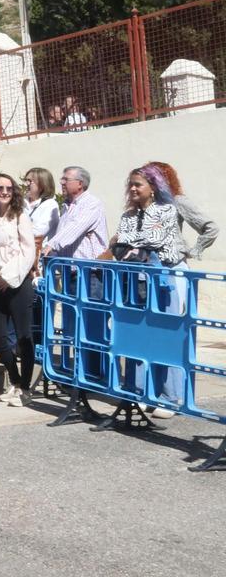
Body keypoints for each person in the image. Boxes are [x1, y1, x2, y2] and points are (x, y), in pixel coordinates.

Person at [114, 165, 189, 413]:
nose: (133, 188)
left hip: (161, 282)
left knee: (164, 339)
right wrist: (133, 248)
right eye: (131, 184)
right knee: (136, 338)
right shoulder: (127, 216)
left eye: (139, 184)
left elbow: (155, 241)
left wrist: (131, 246)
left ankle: (169, 397)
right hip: (134, 283)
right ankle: (139, 391)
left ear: (153, 188)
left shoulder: (167, 210)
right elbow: (117, 248)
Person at [0, 172, 36, 407]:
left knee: (24, 336)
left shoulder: (20, 216)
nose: (4, 192)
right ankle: (14, 381)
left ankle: (25, 388)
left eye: (9, 188)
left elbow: (28, 250)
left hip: (16, 281)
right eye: (0, 188)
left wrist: (9, 276)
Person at [146, 161, 218, 263]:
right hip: (147, 267)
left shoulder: (177, 201)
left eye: (151, 179)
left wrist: (195, 250)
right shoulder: (144, 204)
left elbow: (212, 228)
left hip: (172, 266)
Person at [41, 166, 108, 260]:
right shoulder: (67, 206)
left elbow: (75, 226)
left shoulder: (92, 204)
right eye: (62, 179)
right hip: (68, 269)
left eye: (66, 180)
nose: (62, 183)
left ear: (80, 184)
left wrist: (51, 245)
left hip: (89, 270)